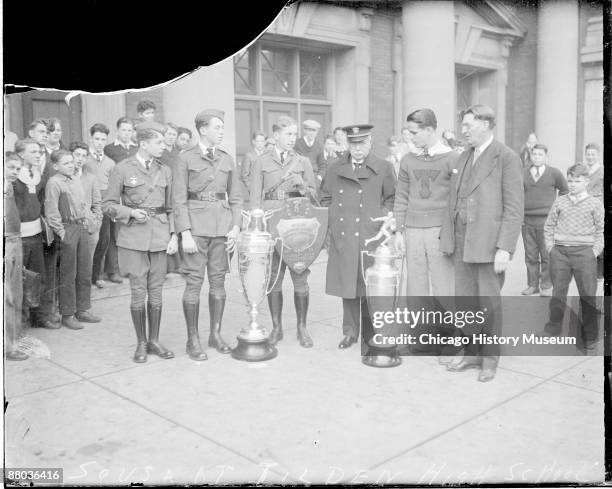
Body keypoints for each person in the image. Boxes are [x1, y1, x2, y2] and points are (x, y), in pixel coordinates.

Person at [439, 104, 523, 383]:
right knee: (465, 303)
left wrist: (505, 248)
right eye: (462, 126)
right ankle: (472, 352)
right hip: (462, 244)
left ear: (486, 124)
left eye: (468, 126)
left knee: (488, 303)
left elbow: (514, 208)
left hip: (489, 247)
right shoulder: (464, 156)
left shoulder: (506, 157)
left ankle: (489, 358)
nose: (463, 131)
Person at [102, 121, 178, 363]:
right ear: (143, 144)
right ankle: (141, 343)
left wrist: (174, 235)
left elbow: (172, 207)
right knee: (138, 292)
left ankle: (154, 340)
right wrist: (130, 213)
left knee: (156, 292)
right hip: (133, 238)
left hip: (159, 237)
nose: (163, 147)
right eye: (159, 142)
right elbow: (107, 205)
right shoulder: (122, 169)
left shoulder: (165, 171)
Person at [173, 109, 242, 359]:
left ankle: (215, 334)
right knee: (193, 284)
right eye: (218, 127)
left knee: (218, 283)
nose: (222, 131)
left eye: (223, 127)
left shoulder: (226, 158)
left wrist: (235, 227)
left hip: (222, 230)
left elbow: (236, 198)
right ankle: (193, 340)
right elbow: (178, 199)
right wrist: (185, 233)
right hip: (196, 231)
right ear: (203, 130)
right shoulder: (185, 158)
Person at [320, 124, 396, 349]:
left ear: (370, 143)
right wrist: (334, 222)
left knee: (370, 285)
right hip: (344, 236)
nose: (358, 149)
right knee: (349, 286)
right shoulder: (335, 168)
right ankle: (350, 332)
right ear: (347, 144)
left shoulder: (383, 167)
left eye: (362, 143)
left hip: (370, 235)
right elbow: (325, 197)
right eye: (353, 144)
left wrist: (380, 219)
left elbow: (392, 199)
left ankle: (373, 331)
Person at [250, 115, 317, 348]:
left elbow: (314, 197)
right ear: (276, 135)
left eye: (294, 134)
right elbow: (254, 198)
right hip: (270, 225)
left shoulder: (303, 161)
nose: (292, 138)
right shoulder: (261, 161)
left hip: (296, 226)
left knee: (300, 277)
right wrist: (257, 229)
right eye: (288, 134)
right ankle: (277, 328)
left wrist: (302, 184)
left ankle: (302, 327)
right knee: (273, 278)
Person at [392, 109, 457, 298]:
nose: (410, 137)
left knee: (444, 284)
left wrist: (452, 232)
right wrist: (398, 231)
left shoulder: (452, 158)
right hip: (412, 231)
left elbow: (457, 199)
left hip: (440, 231)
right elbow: (401, 197)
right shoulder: (407, 160)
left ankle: (447, 327)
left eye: (414, 133)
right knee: (415, 285)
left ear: (429, 130)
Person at [543, 164, 604, 350]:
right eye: (570, 180)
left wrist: (594, 252)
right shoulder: (560, 201)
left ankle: (590, 336)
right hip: (560, 253)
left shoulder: (595, 203)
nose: (573, 184)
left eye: (577, 181)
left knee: (587, 294)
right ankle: (553, 328)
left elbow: (602, 230)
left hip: (584, 254)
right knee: (558, 292)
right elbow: (549, 226)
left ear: (586, 181)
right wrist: (551, 248)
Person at [45, 150, 101, 330]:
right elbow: (51, 212)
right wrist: (62, 233)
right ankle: (68, 313)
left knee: (85, 270)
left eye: (72, 162)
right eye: (66, 163)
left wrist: (91, 222)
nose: (72, 165)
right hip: (67, 229)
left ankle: (82, 309)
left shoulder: (76, 179)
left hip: (82, 227)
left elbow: (83, 205)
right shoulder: (54, 183)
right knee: (69, 273)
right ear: (56, 166)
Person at [13, 139, 56, 329]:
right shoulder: (13, 177)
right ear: (22, 154)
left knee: (38, 276)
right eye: (33, 152)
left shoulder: (38, 175)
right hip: (18, 236)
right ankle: (19, 324)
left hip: (36, 234)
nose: (39, 155)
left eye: (39, 152)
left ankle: (40, 317)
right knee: (19, 280)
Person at [521, 144, 568, 297]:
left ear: (546, 156)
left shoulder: (554, 173)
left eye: (540, 155)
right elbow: (516, 193)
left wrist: (557, 208)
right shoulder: (523, 173)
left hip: (547, 221)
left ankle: (546, 285)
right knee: (530, 255)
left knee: (547, 254)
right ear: (531, 155)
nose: (537, 157)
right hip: (527, 221)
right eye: (534, 154)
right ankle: (532, 285)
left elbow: (565, 189)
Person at [88, 123, 122, 287]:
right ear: (91, 139)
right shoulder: (84, 159)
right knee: (90, 241)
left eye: (103, 139)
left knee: (104, 241)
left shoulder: (110, 162)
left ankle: (98, 275)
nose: (100, 142)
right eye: (97, 138)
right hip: (88, 205)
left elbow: (114, 187)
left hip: (105, 205)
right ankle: (86, 277)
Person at [4, 152, 29, 360]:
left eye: (17, 168)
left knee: (15, 292)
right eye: (10, 167)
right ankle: (9, 346)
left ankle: (13, 339)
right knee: (7, 297)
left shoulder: (10, 188)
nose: (15, 172)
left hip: (15, 240)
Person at [71, 142, 103, 258]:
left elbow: (97, 204)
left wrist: (96, 224)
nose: (80, 159)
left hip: (89, 228)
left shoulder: (91, 178)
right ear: (71, 155)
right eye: (77, 155)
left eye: (84, 156)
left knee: (86, 267)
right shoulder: (63, 177)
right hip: (70, 229)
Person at [583, 142, 603, 280]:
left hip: (598, 210)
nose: (590, 157)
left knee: (599, 238)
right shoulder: (583, 171)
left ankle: (599, 272)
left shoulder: (602, 171)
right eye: (588, 154)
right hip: (584, 211)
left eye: (593, 154)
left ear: (598, 155)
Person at [239, 130, 267, 209]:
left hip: (267, 191)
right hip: (254, 190)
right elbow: (244, 175)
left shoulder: (268, 155)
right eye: (258, 141)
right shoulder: (249, 155)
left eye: (262, 141)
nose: (260, 143)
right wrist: (251, 188)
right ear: (253, 142)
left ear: (265, 142)